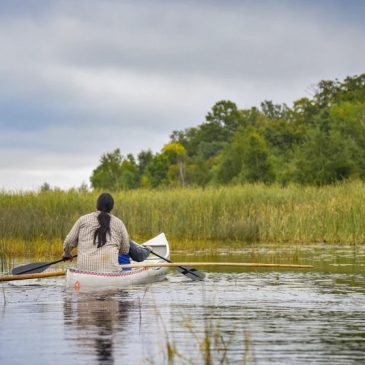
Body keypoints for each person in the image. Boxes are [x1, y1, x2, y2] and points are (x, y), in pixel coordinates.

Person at [62, 192, 130, 273]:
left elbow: (69, 242)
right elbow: (125, 249)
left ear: (97, 205)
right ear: (111, 208)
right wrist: (116, 250)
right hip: (111, 273)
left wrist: (67, 254)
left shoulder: (83, 220)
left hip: (84, 274)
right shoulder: (119, 223)